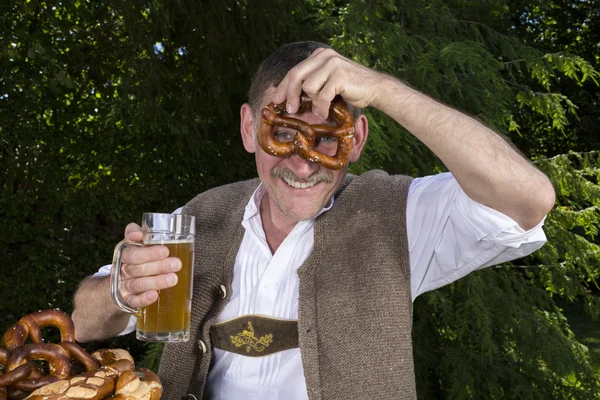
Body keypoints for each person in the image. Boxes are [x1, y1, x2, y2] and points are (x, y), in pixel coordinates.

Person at [71, 41, 555, 400]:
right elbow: (82, 321)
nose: (303, 164)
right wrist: (122, 290)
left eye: (327, 138)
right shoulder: (197, 219)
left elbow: (528, 198)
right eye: (282, 131)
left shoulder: (399, 215)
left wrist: (384, 90)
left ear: (357, 138)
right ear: (248, 127)